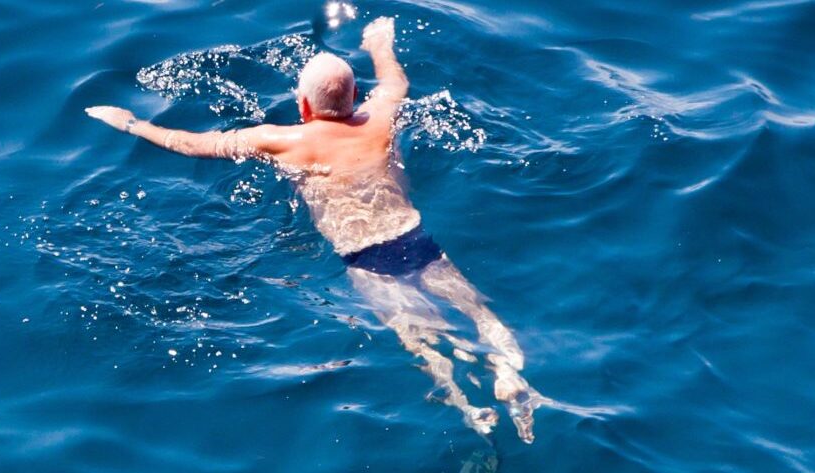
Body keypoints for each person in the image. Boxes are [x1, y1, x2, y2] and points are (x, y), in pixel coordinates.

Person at [83, 18, 549, 443]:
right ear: (352, 99)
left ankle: (468, 405)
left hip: (366, 259)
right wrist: (379, 45)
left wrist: (130, 122)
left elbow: (190, 144)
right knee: (481, 314)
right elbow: (394, 82)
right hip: (416, 240)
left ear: (303, 105)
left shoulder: (281, 140)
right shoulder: (379, 118)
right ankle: (511, 375)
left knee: (423, 343)